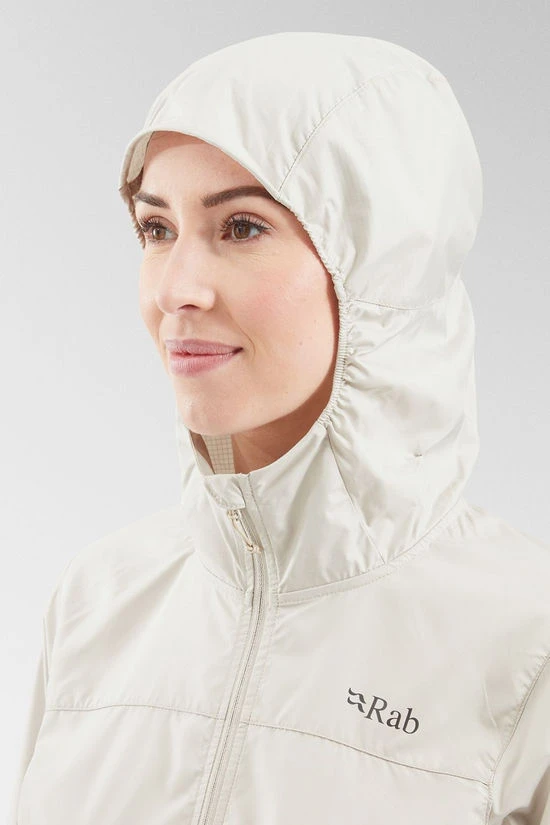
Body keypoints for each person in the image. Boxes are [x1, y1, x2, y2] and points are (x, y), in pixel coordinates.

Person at [10, 31, 550, 825]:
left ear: (381, 265)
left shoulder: (525, 647)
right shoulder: (99, 603)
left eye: (240, 227)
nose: (176, 290)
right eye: (157, 229)